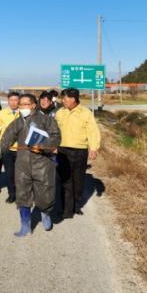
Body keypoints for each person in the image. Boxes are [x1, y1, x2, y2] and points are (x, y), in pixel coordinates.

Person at [0, 94, 60, 236]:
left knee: (45, 194)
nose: (22, 107)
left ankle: (45, 213)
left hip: (42, 163)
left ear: (33, 105)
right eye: (20, 104)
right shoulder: (17, 123)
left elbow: (56, 137)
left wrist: (42, 145)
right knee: (22, 194)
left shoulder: (46, 120)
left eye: (25, 104)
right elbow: (6, 140)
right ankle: (25, 225)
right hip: (22, 164)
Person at [55, 88, 101, 218]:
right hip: (62, 150)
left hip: (79, 151)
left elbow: (92, 131)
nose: (63, 101)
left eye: (65, 98)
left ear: (73, 99)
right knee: (65, 181)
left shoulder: (85, 113)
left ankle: (76, 206)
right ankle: (66, 209)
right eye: (62, 98)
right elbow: (54, 131)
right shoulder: (60, 112)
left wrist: (93, 148)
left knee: (78, 181)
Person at [0, 91, 20, 203]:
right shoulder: (1, 114)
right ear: (8, 101)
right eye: (11, 100)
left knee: (20, 173)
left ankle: (21, 194)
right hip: (7, 148)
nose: (13, 102)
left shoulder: (23, 113)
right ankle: (12, 194)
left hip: (21, 149)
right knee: (9, 173)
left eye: (16, 100)